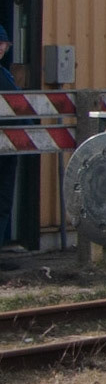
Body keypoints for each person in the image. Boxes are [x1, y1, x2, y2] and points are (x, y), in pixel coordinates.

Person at [0, 24, 15, 263]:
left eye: (4, 44)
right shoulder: (3, 76)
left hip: (11, 144)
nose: (2, 48)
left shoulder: (4, 73)